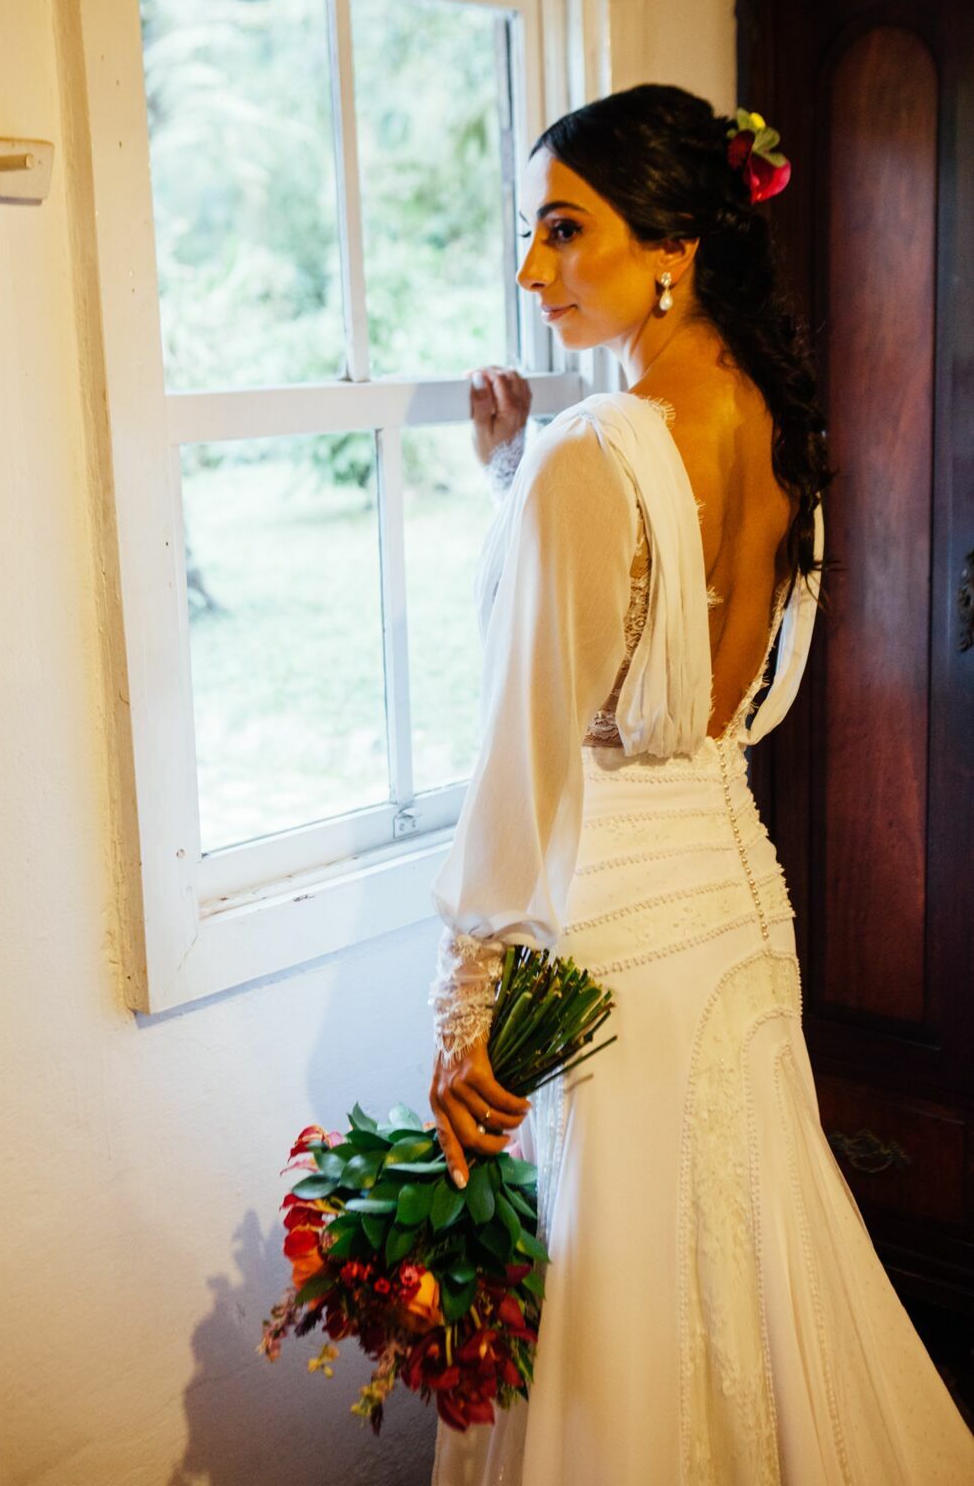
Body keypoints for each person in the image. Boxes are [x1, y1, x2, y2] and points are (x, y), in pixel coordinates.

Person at [425, 84, 974, 1485]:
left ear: (671, 246)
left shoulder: (595, 455)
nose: (531, 269)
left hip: (602, 941)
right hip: (739, 915)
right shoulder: (776, 430)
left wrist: (472, 1010)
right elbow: (655, 650)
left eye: (564, 229)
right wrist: (511, 479)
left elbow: (532, 751)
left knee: (628, 1294)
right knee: (746, 1263)